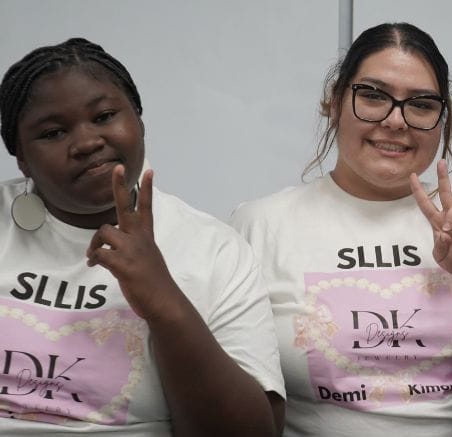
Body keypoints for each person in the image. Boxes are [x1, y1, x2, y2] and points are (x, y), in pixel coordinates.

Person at [230, 22, 452, 436]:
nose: (395, 121)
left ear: (442, 121)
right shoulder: (260, 225)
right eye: (373, 96)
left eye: (421, 105)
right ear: (335, 101)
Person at [0, 38, 285, 436]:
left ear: (139, 119)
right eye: (53, 132)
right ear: (22, 158)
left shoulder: (214, 249)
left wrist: (164, 304)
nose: (86, 142)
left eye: (104, 116)